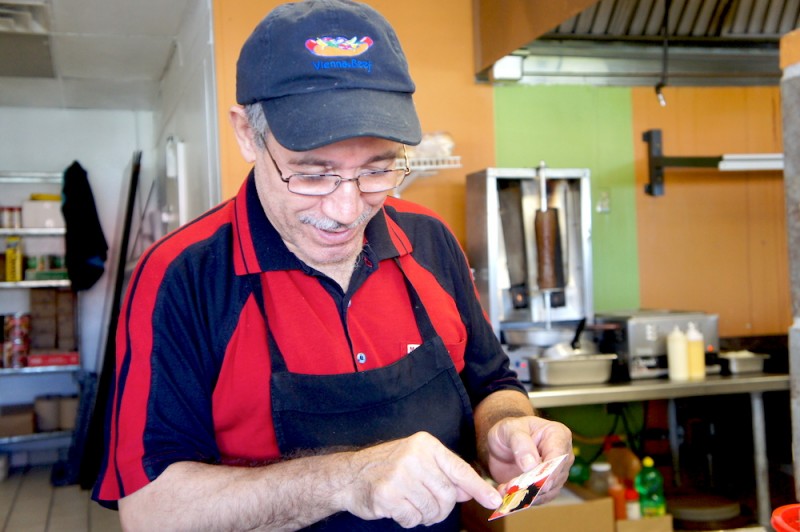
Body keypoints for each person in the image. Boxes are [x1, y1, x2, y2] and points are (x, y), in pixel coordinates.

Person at [92, 0, 573, 529]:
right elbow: (150, 513)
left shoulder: (430, 240)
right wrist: (349, 480)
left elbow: (491, 384)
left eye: (378, 169)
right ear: (248, 135)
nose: (347, 212)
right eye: (314, 173)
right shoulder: (181, 276)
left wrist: (509, 427)